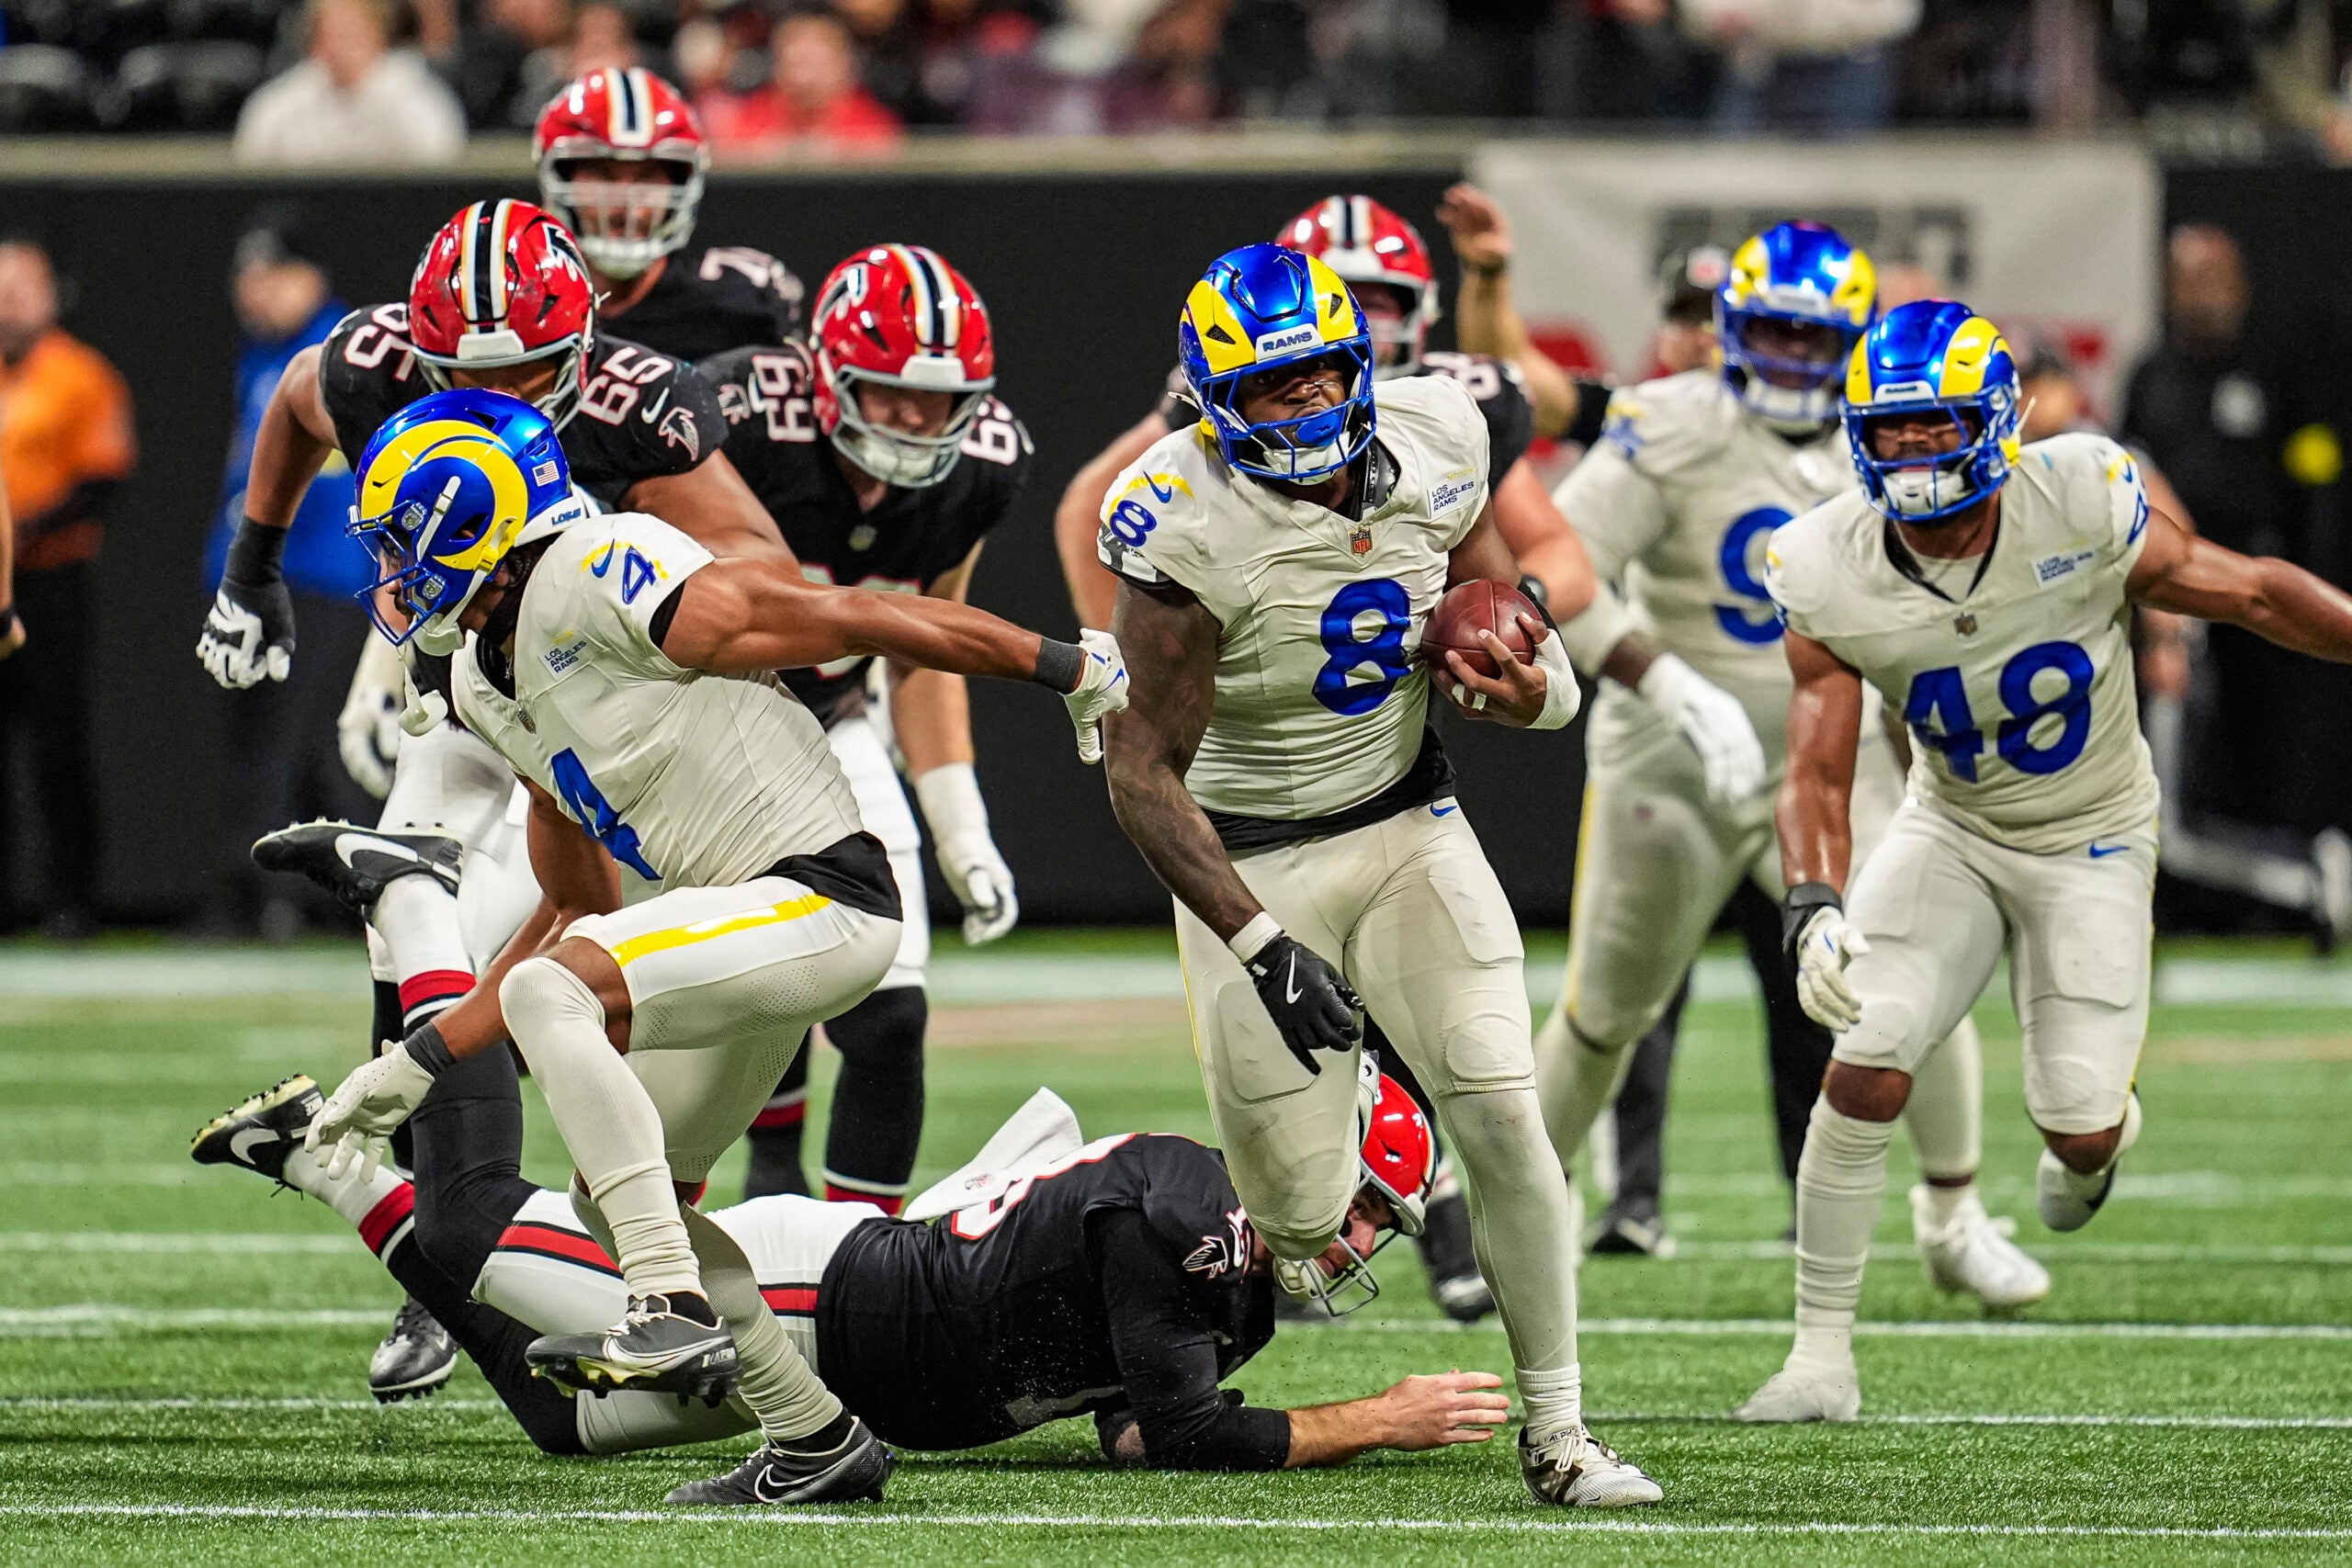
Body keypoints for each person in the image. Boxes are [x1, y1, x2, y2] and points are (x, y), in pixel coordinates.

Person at [292, 386, 1127, 1505]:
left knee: (561, 1009)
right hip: (743, 924)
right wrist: (415, 1064)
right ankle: (817, 1436)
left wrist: (1062, 665)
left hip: (828, 895)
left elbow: (852, 617)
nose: (388, 569)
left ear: (477, 522)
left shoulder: (598, 570)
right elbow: (576, 909)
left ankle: (667, 1308)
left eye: (402, 539)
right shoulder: (479, 676)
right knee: (618, 1198)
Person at [195, 198, 793, 1404]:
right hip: (449, 689)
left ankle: (602, 1231)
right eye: (467, 372)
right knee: (413, 929)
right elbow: (301, 404)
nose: (497, 392)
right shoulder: (365, 362)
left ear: (580, 350)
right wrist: (253, 574)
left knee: (571, 968)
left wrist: (651, 591)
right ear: (415, 351)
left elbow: (755, 556)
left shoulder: (640, 397)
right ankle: (447, 1261)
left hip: (582, 708)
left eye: (526, 369)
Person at [1096, 243, 1657, 1506]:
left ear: (1359, 366)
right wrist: (1255, 941)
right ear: (1208, 402)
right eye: (1266, 391)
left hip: (1407, 821)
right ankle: (1357, 1141)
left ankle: (1559, 1434)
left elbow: (1495, 613)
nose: (1297, 409)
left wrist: (1532, 673)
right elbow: (1139, 775)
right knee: (1299, 1238)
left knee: (1507, 1109)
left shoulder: (1444, 431)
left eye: (1314, 379)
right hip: (1243, 856)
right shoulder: (1175, 519)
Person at [1742, 299, 2352, 1421]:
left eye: (1937, 427)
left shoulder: (2077, 496)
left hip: (2095, 830)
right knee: (1866, 1052)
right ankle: (1818, 1359)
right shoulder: (1821, 563)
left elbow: (2255, 591)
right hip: (1952, 826)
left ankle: (2097, 1137)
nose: (1915, 450)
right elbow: (1817, 770)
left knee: (2074, 1124)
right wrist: (1815, 898)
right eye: (1894, 428)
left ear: (1992, 423)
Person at [1528, 224, 2045, 1312]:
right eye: (1774, 335)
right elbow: (1559, 569)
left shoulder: (1891, 437)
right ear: (1728, 331)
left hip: (1833, 755)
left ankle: (1954, 1216)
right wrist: (1665, 680)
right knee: (1603, 1010)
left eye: (1820, 341)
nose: (1800, 364)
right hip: (1672, 759)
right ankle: (1518, 1203)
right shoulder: (1667, 424)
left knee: (1913, 989)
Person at [194, 1065, 1511, 1468]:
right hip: (805, 1297)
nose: (1358, 1243)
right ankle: (425, 926)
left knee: (562, 1419)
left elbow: (1129, 1428)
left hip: (852, 1365)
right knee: (481, 1211)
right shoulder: (1186, 1211)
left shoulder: (1225, 1264)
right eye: (1365, 1212)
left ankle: (320, 1164)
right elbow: (1182, 1426)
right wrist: (1381, 1419)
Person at [702, 245, 1032, 1211]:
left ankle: (856, 1269)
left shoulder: (978, 471)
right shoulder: (732, 422)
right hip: (686, 727)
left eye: (939, 400)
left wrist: (959, 825)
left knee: (890, 1014)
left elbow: (925, 646)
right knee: (719, 1003)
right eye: (889, 395)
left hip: (828, 720)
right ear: (825, 376)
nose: (917, 421)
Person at [201, 209, 379, 940]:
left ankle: (281, 899)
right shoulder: (265, 353)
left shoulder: (342, 352)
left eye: (273, 274)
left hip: (325, 575)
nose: (256, 290)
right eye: (248, 275)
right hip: (272, 572)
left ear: (311, 278)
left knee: (310, 745)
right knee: (272, 743)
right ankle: (279, 897)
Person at [0, 238, 134, 939]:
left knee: (58, 740)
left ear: (51, 293)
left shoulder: (80, 375)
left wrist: (19, 531)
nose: (9, 300)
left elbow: (101, 479)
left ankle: (72, 898)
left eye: (22, 286)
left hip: (51, 578)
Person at [533, 67, 806, 364]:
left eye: (648, 176)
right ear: (557, 176)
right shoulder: (518, 301)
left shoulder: (742, 304)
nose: (626, 200)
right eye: (603, 173)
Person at [233, 0, 467, 166]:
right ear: (313, 43)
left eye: (352, 35)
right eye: (329, 36)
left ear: (379, 38)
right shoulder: (282, 101)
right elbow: (250, 166)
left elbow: (440, 164)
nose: (339, 48)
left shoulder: (416, 97)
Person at [698, 11, 905, 158]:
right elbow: (730, 154)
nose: (803, 78)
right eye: (794, 64)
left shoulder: (870, 121)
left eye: (815, 63)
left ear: (843, 66)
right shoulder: (757, 113)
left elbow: (886, 155)